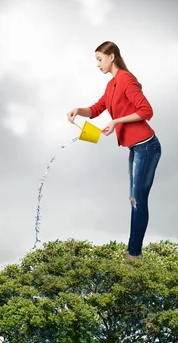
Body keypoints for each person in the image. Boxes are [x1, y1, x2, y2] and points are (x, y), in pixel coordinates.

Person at [67, 41, 161, 261]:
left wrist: (117, 121)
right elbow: (97, 109)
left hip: (147, 146)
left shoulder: (126, 79)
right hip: (136, 147)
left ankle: (133, 254)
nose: (97, 64)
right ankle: (133, 251)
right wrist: (77, 110)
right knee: (134, 199)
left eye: (100, 59)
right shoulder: (111, 85)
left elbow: (147, 111)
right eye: (96, 60)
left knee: (138, 200)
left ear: (112, 57)